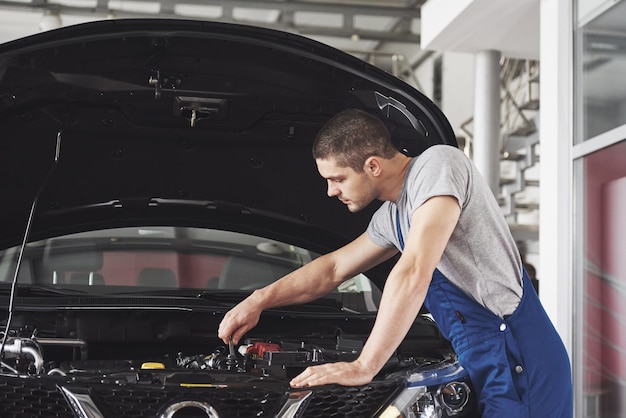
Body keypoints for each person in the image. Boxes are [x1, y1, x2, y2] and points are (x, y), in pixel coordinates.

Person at [218, 108, 573, 417]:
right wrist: (259, 299)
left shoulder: (438, 165)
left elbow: (414, 269)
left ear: (372, 165)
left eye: (337, 179)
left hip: (516, 355)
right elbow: (332, 270)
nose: (330, 191)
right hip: (479, 356)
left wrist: (364, 365)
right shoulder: (392, 216)